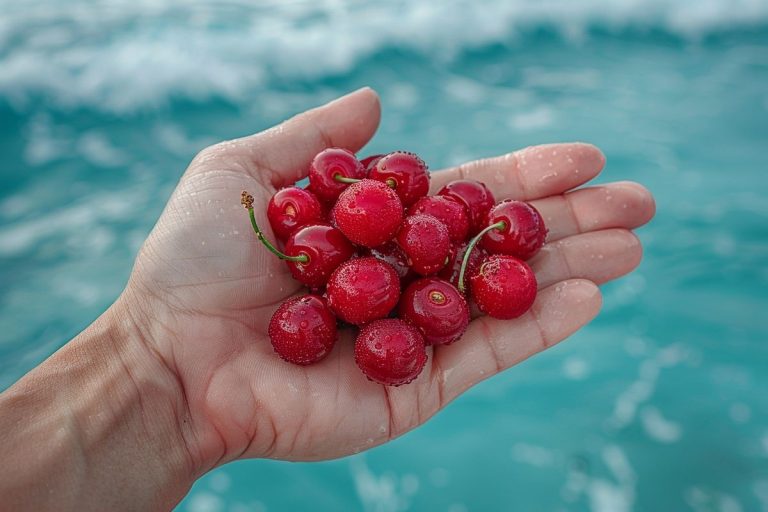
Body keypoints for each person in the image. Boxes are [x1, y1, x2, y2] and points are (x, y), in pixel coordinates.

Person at [0, 88, 655, 510]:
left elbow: (428, 247)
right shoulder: (327, 241)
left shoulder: (425, 242)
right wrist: (155, 362)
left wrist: (150, 365)